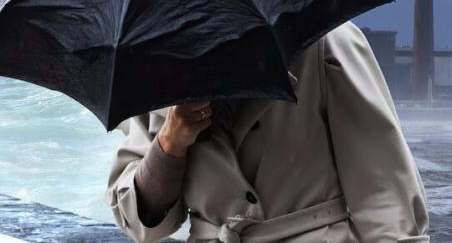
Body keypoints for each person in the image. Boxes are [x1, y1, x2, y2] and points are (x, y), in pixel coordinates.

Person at [105, 20, 430, 242]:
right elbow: (141, 220)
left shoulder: (322, 40)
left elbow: (384, 192)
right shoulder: (155, 65)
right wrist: (170, 142)